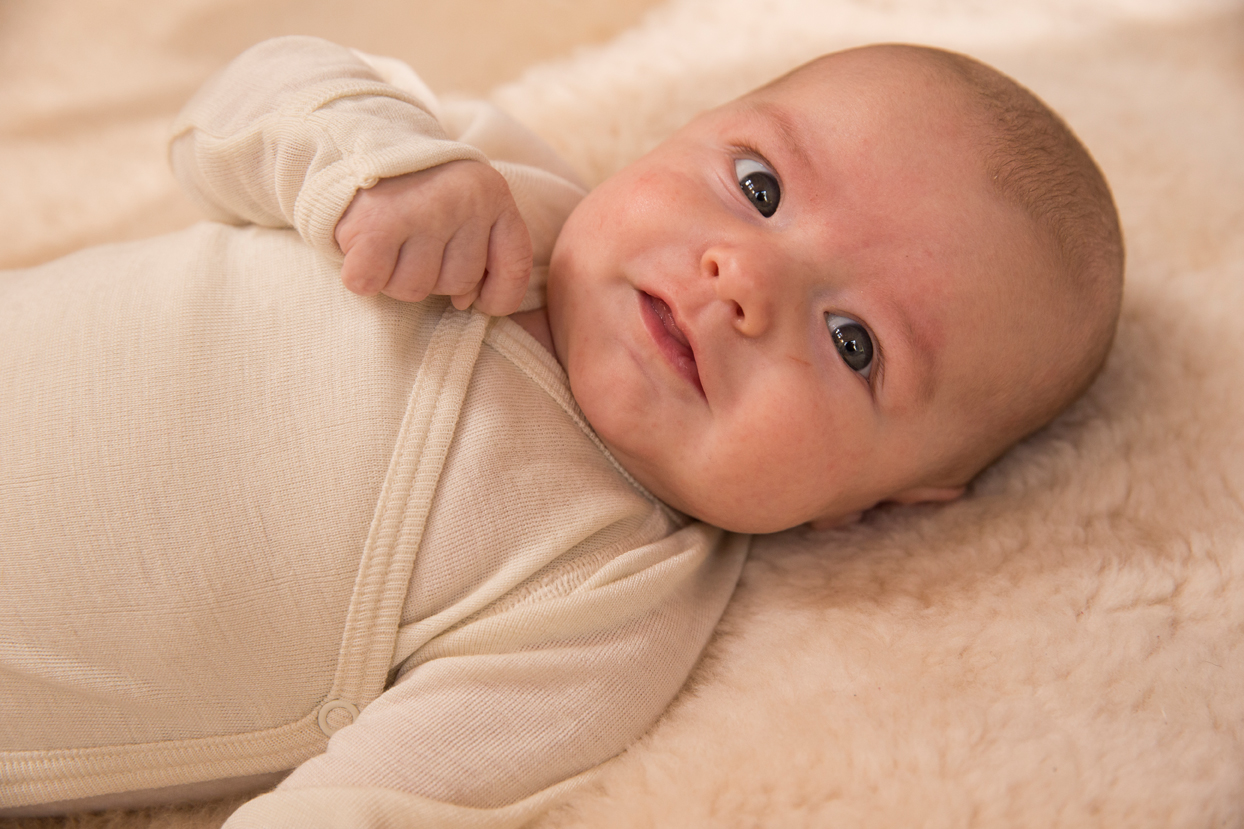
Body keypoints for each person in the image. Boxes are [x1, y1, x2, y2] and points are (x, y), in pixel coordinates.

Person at [0, 34, 1122, 827]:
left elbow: (384, 799)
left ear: (867, 505)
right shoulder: (484, 180)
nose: (743, 280)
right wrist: (369, 166)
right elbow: (243, 101)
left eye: (853, 342)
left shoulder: (611, 598)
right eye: (758, 185)